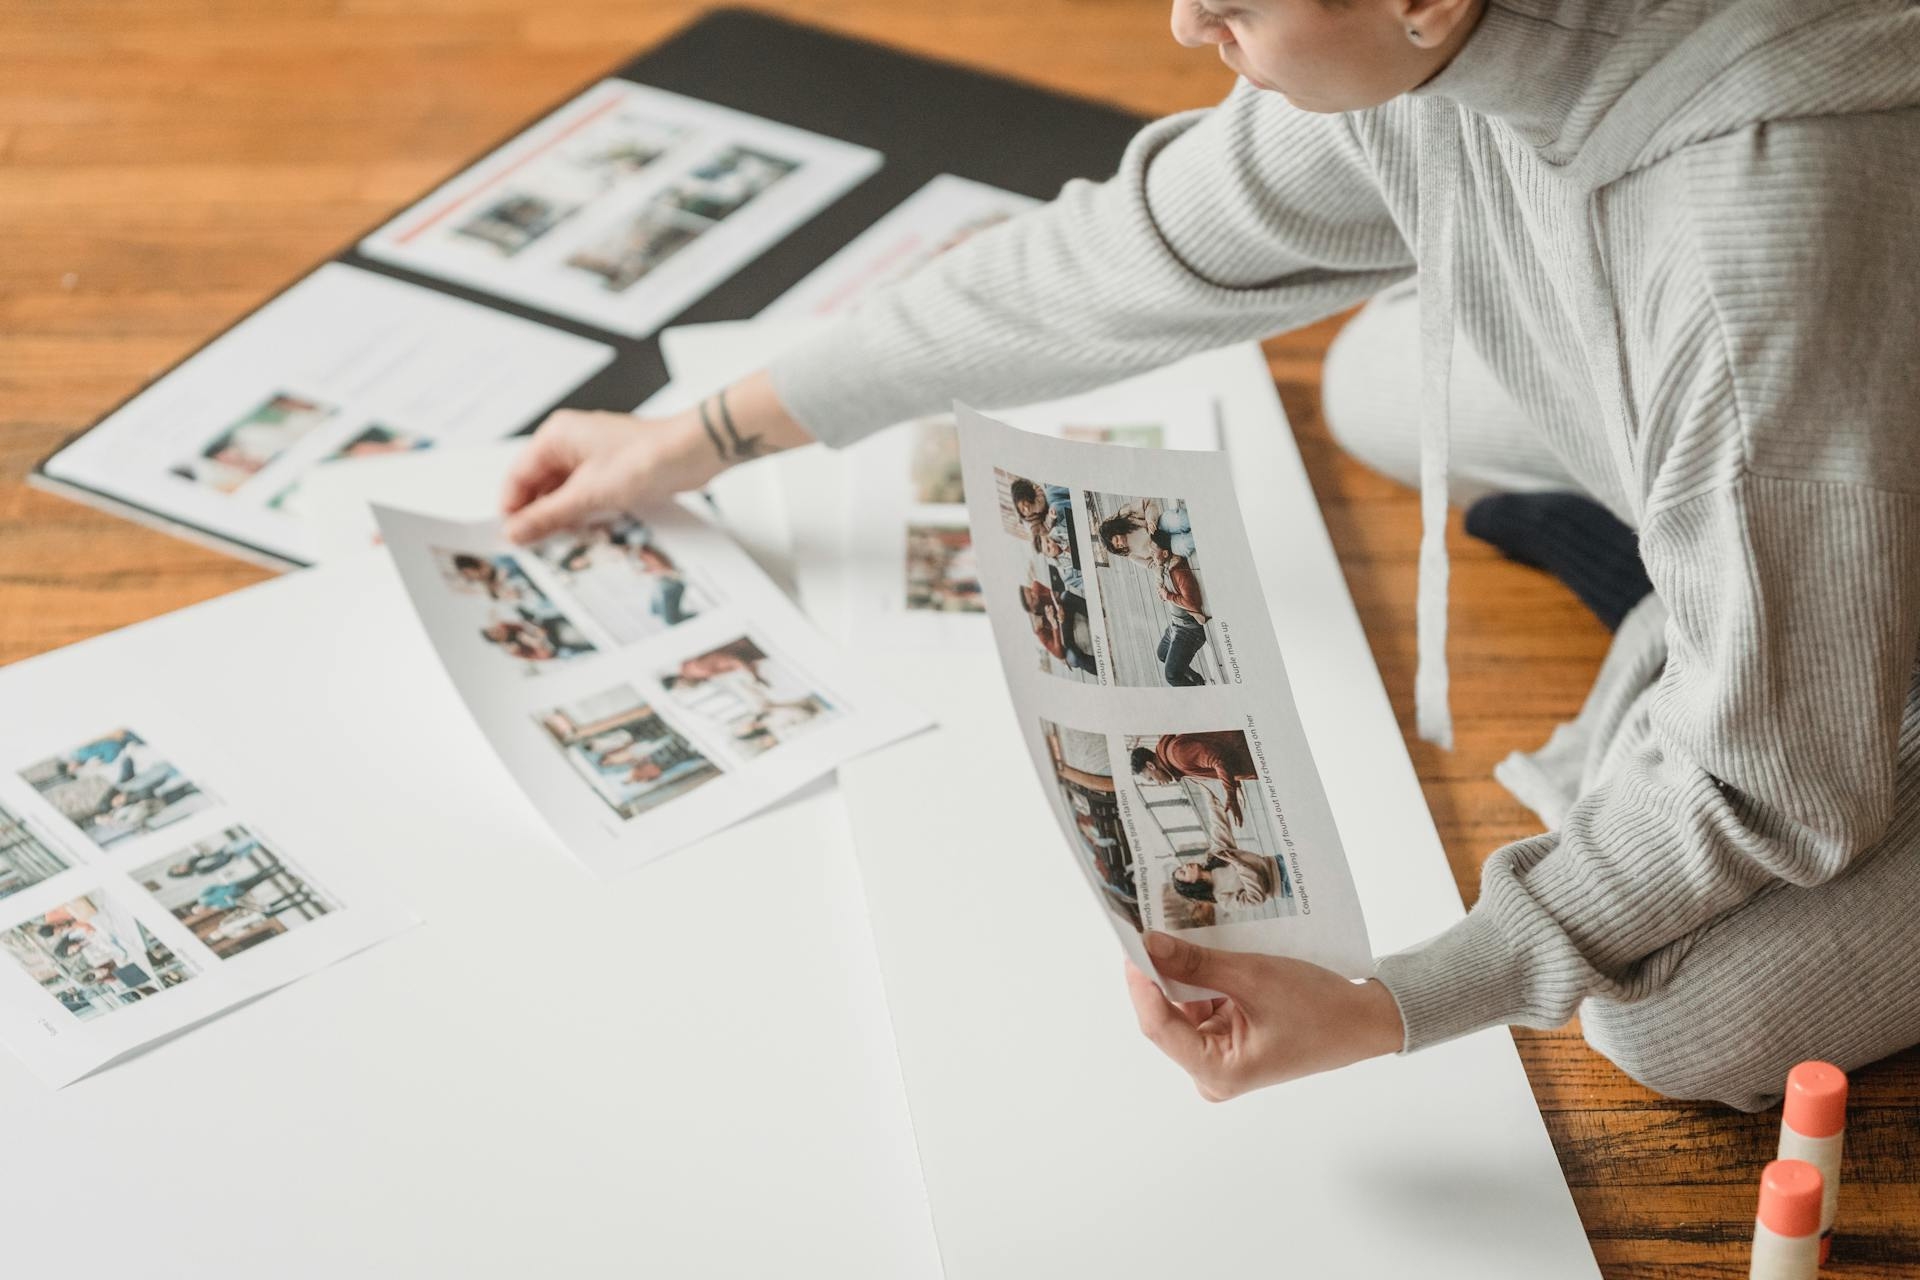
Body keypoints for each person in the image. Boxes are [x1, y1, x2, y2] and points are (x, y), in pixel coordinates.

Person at [498, 0, 1920, 1111]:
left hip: (1806, 453)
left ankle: (1756, 595)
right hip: (1799, 427)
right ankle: (1748, 573)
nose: (1186, 30)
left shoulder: (1744, 246)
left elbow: (1776, 781)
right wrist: (709, 432)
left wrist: (1390, 1002)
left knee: (1667, 1018)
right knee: (1380, 384)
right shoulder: (1447, 57)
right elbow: (1127, 257)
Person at [1133, 733, 1258, 826]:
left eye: (1151, 778)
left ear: (1151, 765)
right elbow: (1218, 761)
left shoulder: (1177, 755)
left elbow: (1219, 761)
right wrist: (1235, 786)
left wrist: (1231, 796)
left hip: (1256, 750)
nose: (1158, 784)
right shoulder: (1175, 765)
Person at [1171, 848, 1280, 910]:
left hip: (1277, 860)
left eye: (1182, 867)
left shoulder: (1213, 858)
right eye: (1183, 872)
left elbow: (1219, 828)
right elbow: (1256, 898)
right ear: (1191, 885)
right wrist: (1239, 865)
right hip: (1282, 883)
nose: (1185, 866)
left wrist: (1214, 807)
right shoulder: (1222, 898)